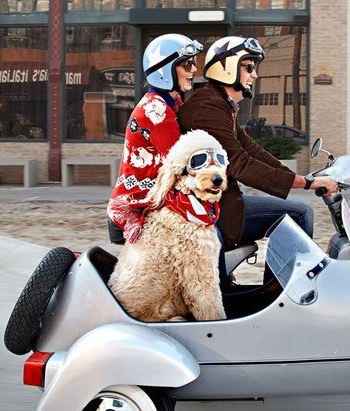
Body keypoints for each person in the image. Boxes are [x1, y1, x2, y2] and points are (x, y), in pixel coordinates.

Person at [177, 36, 337, 250]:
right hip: (213, 207)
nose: (255, 74)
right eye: (248, 67)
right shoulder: (208, 109)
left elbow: (252, 149)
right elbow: (240, 164)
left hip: (219, 201)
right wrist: (303, 183)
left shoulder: (220, 104)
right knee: (300, 213)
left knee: (297, 211)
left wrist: (299, 178)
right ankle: (281, 285)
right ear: (226, 67)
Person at [107, 33, 203, 242]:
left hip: (154, 200)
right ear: (164, 70)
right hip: (138, 207)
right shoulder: (156, 111)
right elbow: (183, 165)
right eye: (187, 64)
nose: (194, 69)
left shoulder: (170, 104)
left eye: (193, 63)